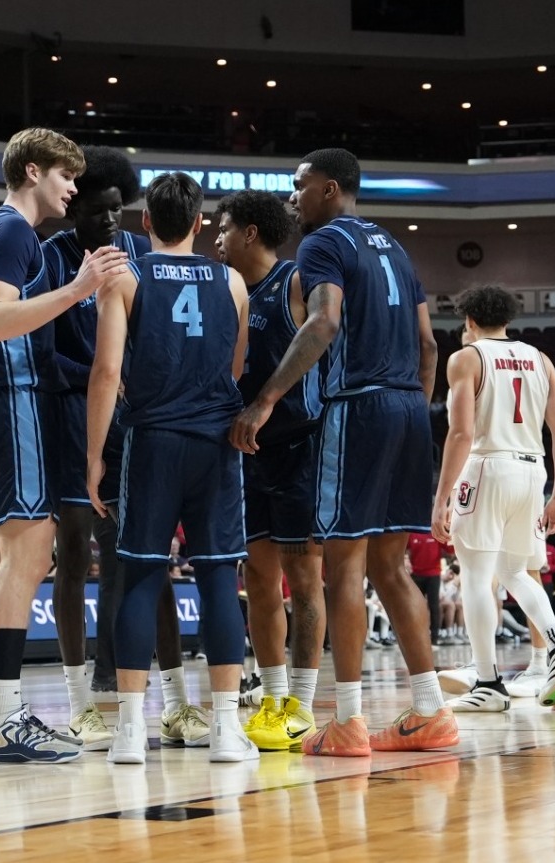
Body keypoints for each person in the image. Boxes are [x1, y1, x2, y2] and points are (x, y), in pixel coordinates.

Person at [231, 148, 455, 756]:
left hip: (359, 406)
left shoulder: (323, 242)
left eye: (299, 185)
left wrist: (266, 399)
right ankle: (431, 711)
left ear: (329, 189)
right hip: (410, 408)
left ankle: (349, 721)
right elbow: (428, 346)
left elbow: (324, 321)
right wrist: (412, 412)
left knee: (344, 567)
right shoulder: (395, 248)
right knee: (392, 567)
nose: (292, 197)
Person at [0, 128, 128, 765]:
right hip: (14, 402)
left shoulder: (1, 231)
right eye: (66, 176)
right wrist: (77, 290)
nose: (72, 189)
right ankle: (5, 720)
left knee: (8, 559)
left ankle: (1, 715)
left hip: (1, 399)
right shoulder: (12, 231)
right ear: (33, 171)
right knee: (29, 555)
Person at [86, 170, 255, 765]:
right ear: (200, 224)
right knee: (218, 580)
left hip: (153, 440)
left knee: (140, 576)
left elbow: (107, 372)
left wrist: (93, 459)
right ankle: (226, 731)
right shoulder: (232, 281)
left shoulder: (125, 277)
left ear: (146, 221)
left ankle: (130, 732)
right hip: (215, 445)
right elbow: (236, 369)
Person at [41, 145, 190, 752]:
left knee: (147, 558)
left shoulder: (138, 255)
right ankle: (81, 702)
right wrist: (101, 377)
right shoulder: (51, 259)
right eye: (97, 210)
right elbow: (42, 355)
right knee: (75, 555)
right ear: (74, 207)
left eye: (116, 209)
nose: (108, 220)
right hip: (73, 420)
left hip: (134, 423)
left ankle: (172, 699)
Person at [431, 286, 555, 712]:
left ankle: (487, 684)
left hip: (488, 466)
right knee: (515, 571)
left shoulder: (466, 358)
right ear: (507, 320)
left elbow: (461, 434)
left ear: (469, 320)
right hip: (532, 471)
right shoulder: (541, 359)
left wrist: (441, 497)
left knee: (476, 578)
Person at [214, 189, 326, 752]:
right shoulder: (225, 290)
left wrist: (266, 403)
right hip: (246, 454)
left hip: (300, 446)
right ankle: (273, 698)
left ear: (251, 232)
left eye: (224, 228)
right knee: (257, 580)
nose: (217, 238)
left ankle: (301, 705)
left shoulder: (296, 283)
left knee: (303, 580)